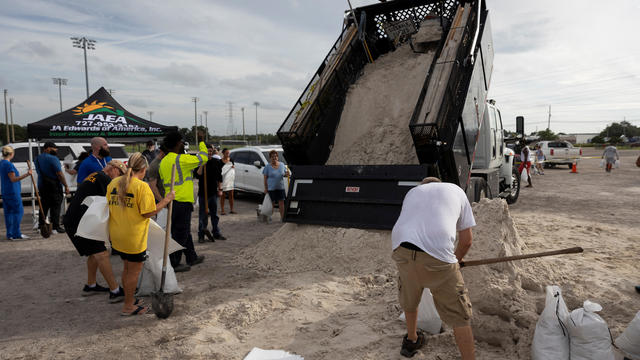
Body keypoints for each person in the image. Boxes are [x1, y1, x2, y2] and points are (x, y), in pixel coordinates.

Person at [391, 177, 476, 359]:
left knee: (410, 294)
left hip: (402, 249)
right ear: (439, 183)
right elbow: (467, 241)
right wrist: (456, 262)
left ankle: (412, 340)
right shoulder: (456, 190)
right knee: (459, 314)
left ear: (424, 186)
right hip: (437, 255)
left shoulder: (412, 192)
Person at [107, 153, 174, 316]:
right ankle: (128, 306)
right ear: (143, 169)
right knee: (133, 272)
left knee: (127, 268)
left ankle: (129, 299)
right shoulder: (141, 187)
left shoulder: (114, 183)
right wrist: (166, 200)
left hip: (117, 234)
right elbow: (148, 212)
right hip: (133, 237)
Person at [63, 160, 127, 301]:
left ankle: (90, 285)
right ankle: (115, 291)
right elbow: (113, 201)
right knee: (102, 254)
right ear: (114, 169)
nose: (120, 178)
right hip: (79, 223)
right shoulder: (104, 179)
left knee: (95, 253)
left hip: (80, 220)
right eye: (121, 174)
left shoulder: (97, 175)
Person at [159, 132, 208, 273]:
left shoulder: (164, 162)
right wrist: (202, 142)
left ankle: (191, 257)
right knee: (180, 233)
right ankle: (174, 263)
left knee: (182, 231)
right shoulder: (181, 159)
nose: (183, 144)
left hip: (171, 201)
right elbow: (203, 158)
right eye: (181, 142)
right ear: (177, 144)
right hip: (182, 202)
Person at [35, 141, 70, 234]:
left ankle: (41, 226)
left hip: (42, 184)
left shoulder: (37, 158)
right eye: (54, 148)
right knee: (56, 205)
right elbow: (60, 174)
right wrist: (66, 186)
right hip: (54, 185)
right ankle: (55, 227)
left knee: (44, 206)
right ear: (47, 148)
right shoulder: (53, 158)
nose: (56, 149)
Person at [195, 144, 226, 243]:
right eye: (207, 151)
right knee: (202, 215)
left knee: (214, 215)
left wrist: (220, 189)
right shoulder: (199, 163)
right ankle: (201, 234)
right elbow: (197, 175)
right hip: (203, 194)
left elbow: (219, 177)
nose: (209, 153)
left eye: (210, 151)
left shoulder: (216, 162)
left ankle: (216, 232)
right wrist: (202, 164)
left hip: (213, 193)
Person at [0, 146, 32, 240]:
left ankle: (10, 234)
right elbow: (13, 179)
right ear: (11, 154)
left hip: (6, 191)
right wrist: (27, 174)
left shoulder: (2, 163)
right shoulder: (9, 165)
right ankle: (16, 234)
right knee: (18, 212)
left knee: (9, 213)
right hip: (12, 191)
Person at [262, 150, 290, 220]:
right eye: (272, 157)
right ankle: (269, 216)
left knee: (281, 203)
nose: (274, 158)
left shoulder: (282, 165)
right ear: (270, 158)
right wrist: (266, 188)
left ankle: (282, 217)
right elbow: (265, 179)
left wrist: (287, 174)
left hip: (280, 187)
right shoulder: (267, 167)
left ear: (277, 157)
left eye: (275, 156)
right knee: (271, 204)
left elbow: (285, 174)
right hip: (271, 188)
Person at [220, 148, 236, 215]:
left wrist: (232, 167)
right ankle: (222, 210)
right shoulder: (220, 161)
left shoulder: (231, 160)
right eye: (226, 153)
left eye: (228, 153)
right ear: (223, 153)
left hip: (230, 180)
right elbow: (220, 171)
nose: (228, 154)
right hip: (223, 180)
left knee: (231, 195)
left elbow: (233, 169)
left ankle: (232, 209)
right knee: (223, 195)